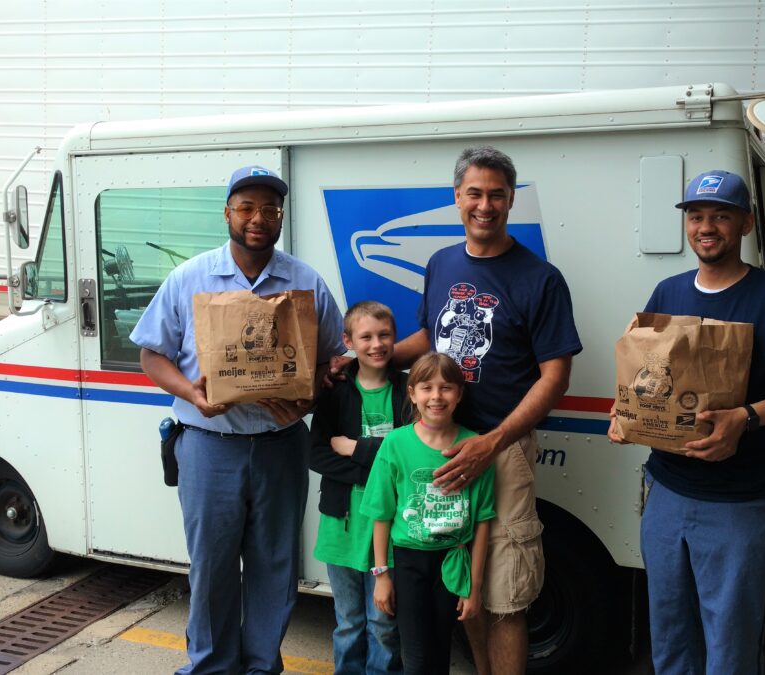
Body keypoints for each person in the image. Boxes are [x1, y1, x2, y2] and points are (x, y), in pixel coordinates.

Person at [608, 169, 765, 674]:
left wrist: (747, 417)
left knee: (730, 643)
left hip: (740, 500)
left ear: (746, 224)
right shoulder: (667, 292)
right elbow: (647, 373)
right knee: (668, 633)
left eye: (720, 216)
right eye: (696, 216)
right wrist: (628, 412)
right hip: (666, 492)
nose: (705, 227)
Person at [130, 165, 345, 675]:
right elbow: (151, 356)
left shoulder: (305, 282)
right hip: (208, 443)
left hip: (280, 444)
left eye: (269, 210)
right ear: (227, 213)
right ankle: (209, 667)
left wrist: (307, 400)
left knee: (274, 566)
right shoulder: (190, 277)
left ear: (280, 218)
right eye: (246, 208)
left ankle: (260, 667)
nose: (258, 219)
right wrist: (191, 393)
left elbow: (333, 361)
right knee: (212, 567)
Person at [392, 146, 582, 675]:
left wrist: (492, 442)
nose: (485, 205)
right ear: (457, 198)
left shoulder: (540, 278)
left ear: (511, 200)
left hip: (500, 453)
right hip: (440, 447)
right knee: (463, 587)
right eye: (474, 193)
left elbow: (555, 377)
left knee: (505, 597)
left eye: (497, 194)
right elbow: (433, 336)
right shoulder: (441, 263)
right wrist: (368, 357)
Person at [361, 352, 496, 675]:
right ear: (412, 393)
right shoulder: (396, 443)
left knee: (439, 654)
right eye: (426, 388)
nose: (436, 396)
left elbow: (483, 522)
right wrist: (382, 575)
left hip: (452, 563)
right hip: (409, 563)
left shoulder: (475, 447)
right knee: (417, 657)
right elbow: (381, 513)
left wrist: (473, 588)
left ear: (459, 394)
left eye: (446, 388)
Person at [309, 301, 408, 675]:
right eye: (365, 336)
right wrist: (373, 472)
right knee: (349, 622)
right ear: (348, 341)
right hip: (342, 526)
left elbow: (413, 453)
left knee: (384, 624)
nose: (376, 344)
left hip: (392, 527)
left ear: (394, 337)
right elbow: (316, 453)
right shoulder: (335, 392)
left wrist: (356, 448)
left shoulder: (408, 389)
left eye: (384, 335)